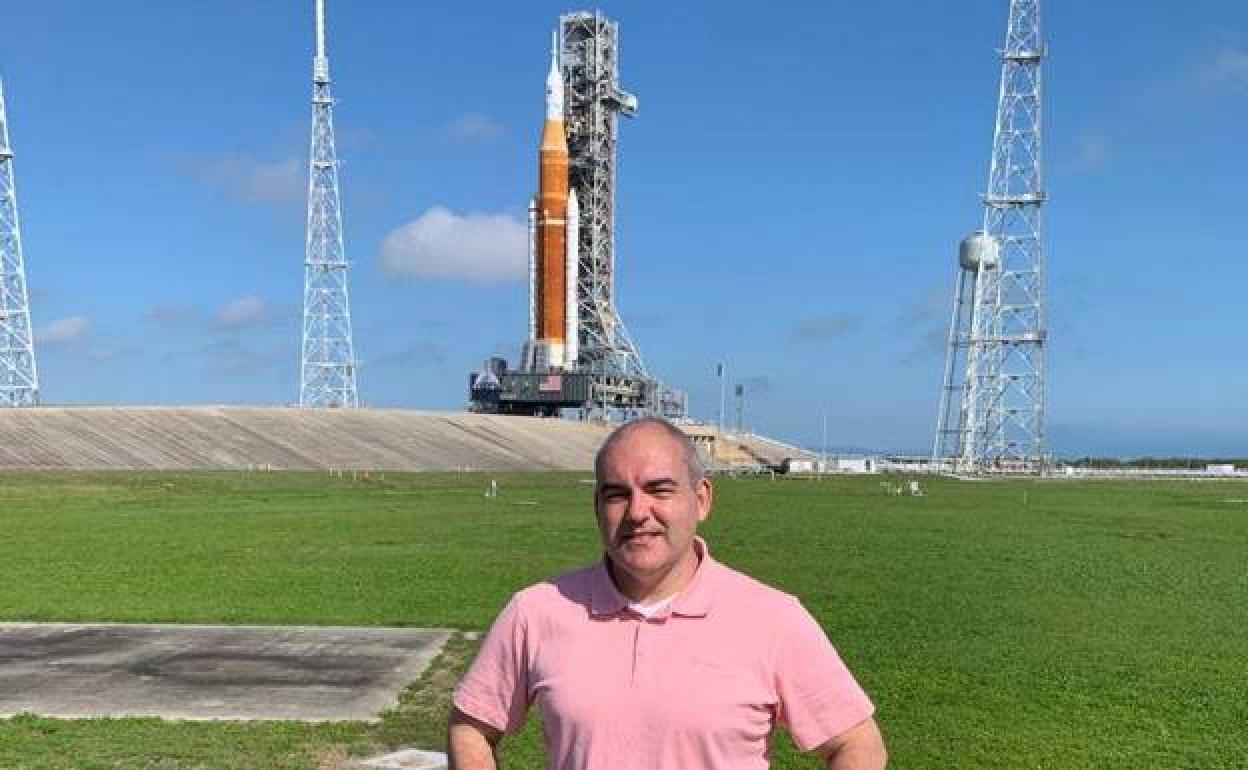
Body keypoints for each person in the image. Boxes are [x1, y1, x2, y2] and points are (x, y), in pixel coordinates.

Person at [449, 417, 887, 769]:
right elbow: (471, 728)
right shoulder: (537, 611)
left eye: (659, 490)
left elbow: (857, 744)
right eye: (617, 494)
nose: (638, 513)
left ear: (702, 500)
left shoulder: (772, 617)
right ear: (597, 508)